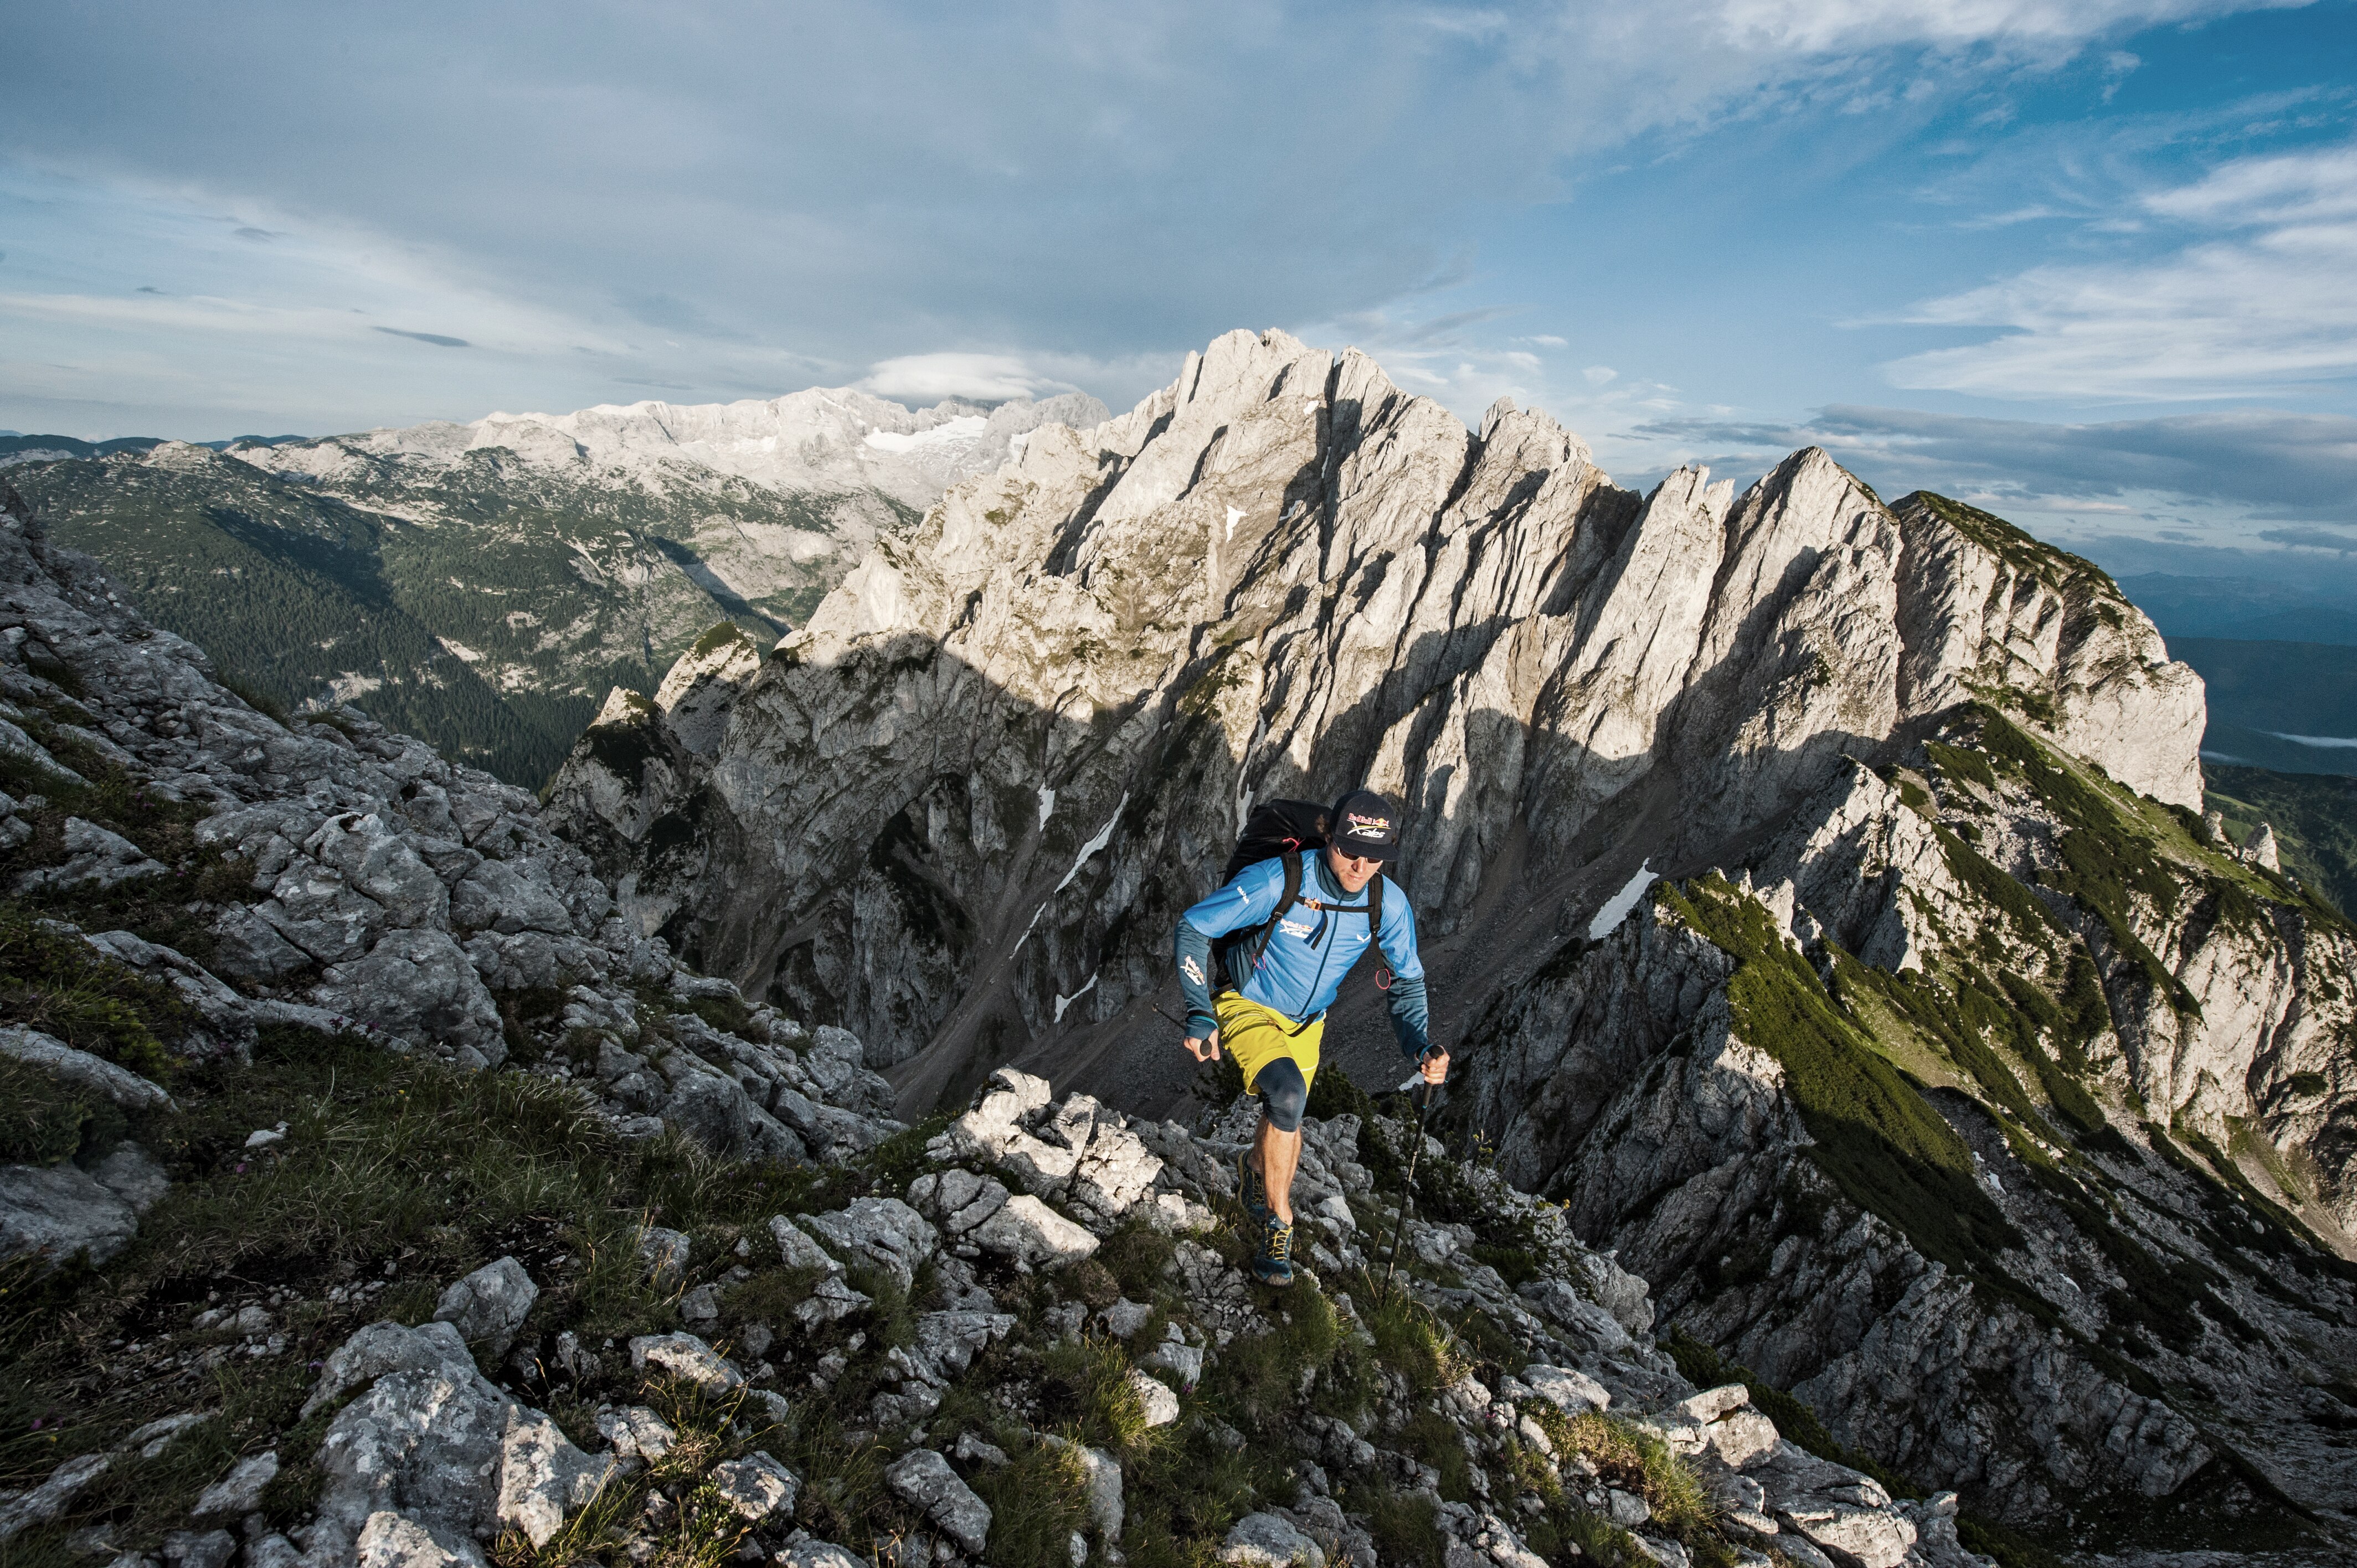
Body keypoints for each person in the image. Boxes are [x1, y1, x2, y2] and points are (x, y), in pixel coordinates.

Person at [1171, 787, 1448, 1285]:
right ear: (1329, 840)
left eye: (1376, 858)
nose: (1361, 868)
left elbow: (1406, 980)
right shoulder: (1280, 879)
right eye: (1350, 852)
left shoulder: (1386, 903)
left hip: (1309, 1023)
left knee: (1285, 1115)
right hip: (1246, 1001)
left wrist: (1420, 1046)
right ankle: (1280, 1227)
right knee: (1289, 1095)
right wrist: (1200, 1012)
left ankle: (1254, 1170)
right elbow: (1193, 927)